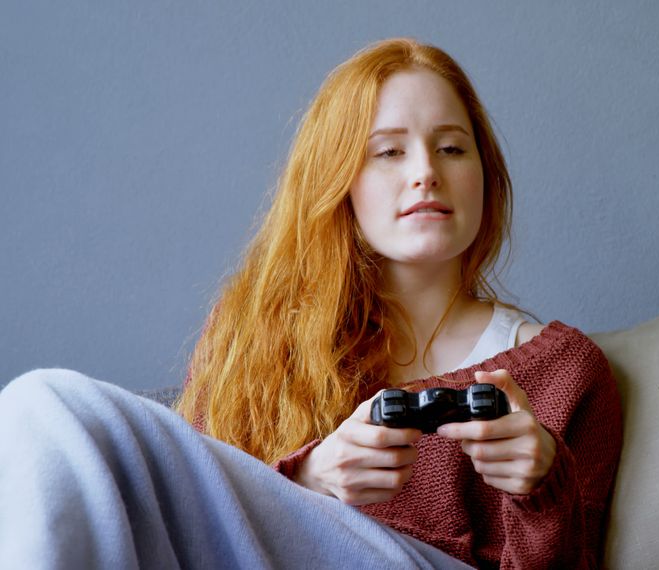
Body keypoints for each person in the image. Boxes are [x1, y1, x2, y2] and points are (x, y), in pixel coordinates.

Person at [0, 38, 623, 569]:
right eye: (388, 151)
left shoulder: (565, 373)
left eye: (452, 147)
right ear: (340, 184)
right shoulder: (256, 335)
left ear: (485, 175)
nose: (425, 172)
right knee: (42, 408)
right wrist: (309, 481)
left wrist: (544, 488)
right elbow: (194, 518)